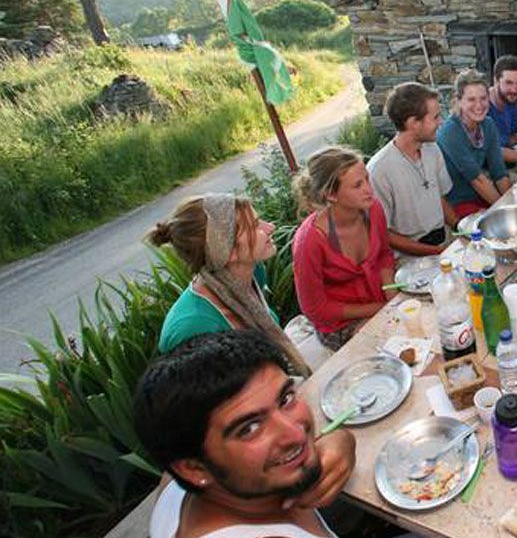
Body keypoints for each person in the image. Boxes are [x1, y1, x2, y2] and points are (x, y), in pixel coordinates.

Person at [135, 330, 486, 538]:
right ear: (193, 468)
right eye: (250, 428)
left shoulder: (174, 489)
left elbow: (325, 439)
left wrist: (342, 441)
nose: (295, 433)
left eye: (286, 398)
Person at [148, 193, 309, 373]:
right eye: (255, 226)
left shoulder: (252, 272)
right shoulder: (193, 327)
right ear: (227, 251)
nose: (270, 227)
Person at [292, 146, 397, 351]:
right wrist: (378, 309)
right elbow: (315, 309)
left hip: (381, 302)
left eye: (367, 178)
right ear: (331, 195)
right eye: (358, 185)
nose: (369, 189)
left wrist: (392, 296)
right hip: (341, 324)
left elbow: (384, 255)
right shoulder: (310, 241)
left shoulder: (373, 209)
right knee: (385, 345)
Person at [368, 82, 457, 258]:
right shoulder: (378, 170)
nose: (441, 122)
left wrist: (460, 227)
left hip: (443, 242)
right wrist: (436, 252)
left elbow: (438, 197)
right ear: (413, 123)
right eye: (435, 117)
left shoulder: (432, 149)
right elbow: (382, 232)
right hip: (409, 260)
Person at [436, 69, 513, 219]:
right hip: (457, 203)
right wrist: (506, 211)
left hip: (482, 196)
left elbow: (499, 173)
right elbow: (478, 180)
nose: (479, 105)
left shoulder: (488, 124)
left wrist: (513, 204)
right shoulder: (450, 132)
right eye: (471, 99)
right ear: (459, 101)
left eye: (483, 98)